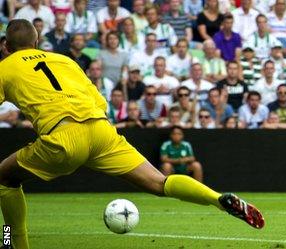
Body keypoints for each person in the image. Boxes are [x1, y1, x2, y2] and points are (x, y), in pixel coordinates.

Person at [0, 20, 265, 249]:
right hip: (101, 130)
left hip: (62, 137)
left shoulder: (6, 66)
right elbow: (101, 104)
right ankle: (217, 199)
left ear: (6, 46)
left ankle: (11, 241)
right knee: (160, 183)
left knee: (5, 178)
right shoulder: (65, 60)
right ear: (36, 42)